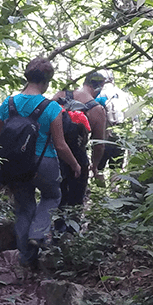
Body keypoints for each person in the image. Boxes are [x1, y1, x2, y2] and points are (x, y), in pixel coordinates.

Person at [0, 56, 82, 269]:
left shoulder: (9, 103)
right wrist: (75, 165)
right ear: (47, 81)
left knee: (24, 208)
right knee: (53, 196)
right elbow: (60, 145)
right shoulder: (51, 108)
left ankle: (26, 259)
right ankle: (38, 233)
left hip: (14, 164)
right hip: (44, 163)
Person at [51, 71, 107, 220]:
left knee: (54, 197)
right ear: (99, 86)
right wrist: (94, 166)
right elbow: (99, 144)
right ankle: (69, 234)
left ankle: (52, 230)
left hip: (53, 153)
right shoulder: (97, 109)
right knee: (75, 200)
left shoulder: (60, 96)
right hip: (78, 157)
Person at [95, 71, 131, 172]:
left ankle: (99, 186)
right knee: (116, 168)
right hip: (120, 137)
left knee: (98, 168)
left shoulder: (99, 94)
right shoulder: (124, 95)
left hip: (104, 137)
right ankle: (115, 187)